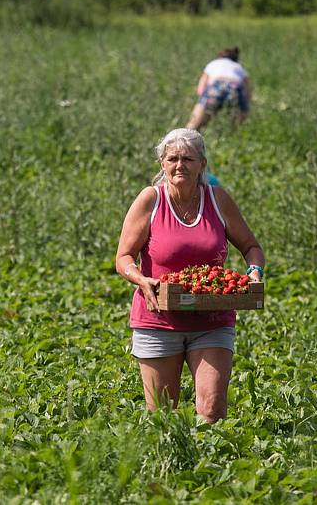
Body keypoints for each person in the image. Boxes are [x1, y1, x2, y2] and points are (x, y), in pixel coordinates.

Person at [115, 128, 265, 423]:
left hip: (213, 319)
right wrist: (141, 280)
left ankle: (211, 465)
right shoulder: (150, 200)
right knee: (163, 417)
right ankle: (171, 467)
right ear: (162, 163)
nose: (179, 165)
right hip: (158, 319)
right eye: (172, 158)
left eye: (188, 159)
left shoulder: (218, 200)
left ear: (202, 165)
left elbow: (251, 246)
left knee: (212, 410)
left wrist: (255, 271)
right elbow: (123, 257)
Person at [186, 47, 251, 131]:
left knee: (193, 125)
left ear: (220, 57)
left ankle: (187, 137)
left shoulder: (213, 63)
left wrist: (205, 106)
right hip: (235, 87)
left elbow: (201, 89)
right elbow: (248, 92)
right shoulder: (239, 67)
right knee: (237, 126)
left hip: (217, 85)